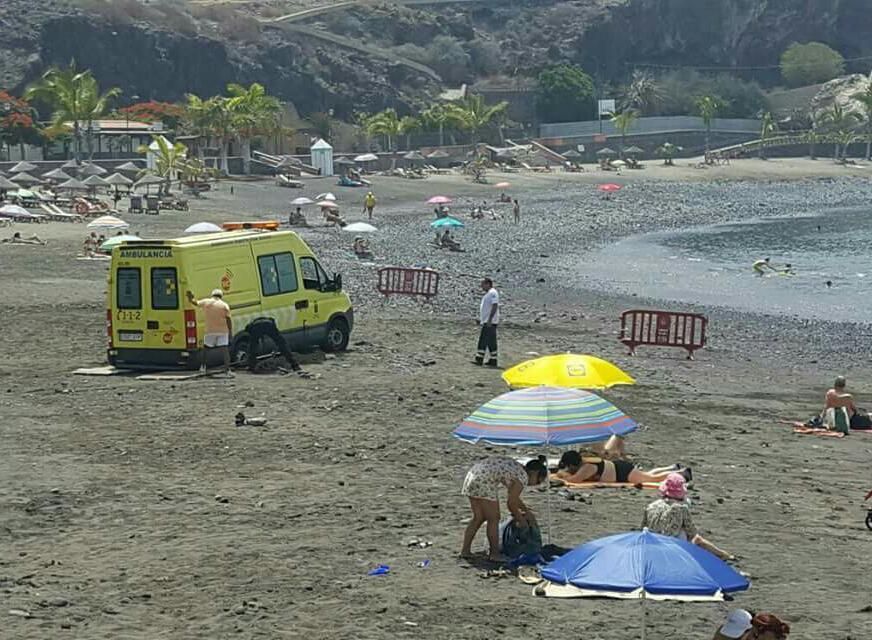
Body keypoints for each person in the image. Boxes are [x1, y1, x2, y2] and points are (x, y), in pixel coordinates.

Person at [460, 456, 548, 561]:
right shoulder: (522, 477)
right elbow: (511, 504)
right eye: (538, 481)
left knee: (478, 517)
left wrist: (527, 511)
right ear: (534, 473)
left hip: (473, 476)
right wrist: (521, 519)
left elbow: (514, 499)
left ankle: (465, 551)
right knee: (494, 518)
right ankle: (494, 554)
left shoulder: (517, 469)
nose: (535, 484)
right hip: (484, 481)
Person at [642, 473, 735, 561]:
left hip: (651, 547)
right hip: (670, 550)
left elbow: (643, 528)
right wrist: (721, 553)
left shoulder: (651, 506)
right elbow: (696, 538)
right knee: (684, 532)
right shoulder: (681, 509)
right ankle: (722, 555)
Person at [555, 451, 687, 485]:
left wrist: (562, 476)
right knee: (646, 474)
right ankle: (672, 468)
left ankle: (681, 474)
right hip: (619, 468)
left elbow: (574, 480)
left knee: (651, 479)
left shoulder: (587, 467)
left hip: (622, 472)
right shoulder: (586, 460)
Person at [186, 288, 233, 376]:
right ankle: (227, 370)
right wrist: (230, 331)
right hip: (222, 331)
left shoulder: (206, 302)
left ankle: (203, 366)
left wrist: (190, 297)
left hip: (210, 330)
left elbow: (195, 302)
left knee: (206, 349)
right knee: (225, 351)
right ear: (221, 296)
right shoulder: (224, 305)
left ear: (212, 295)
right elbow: (228, 319)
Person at [243, 317, 309, 377]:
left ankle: (251, 366)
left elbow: (254, 345)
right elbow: (275, 338)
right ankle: (295, 366)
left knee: (252, 348)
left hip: (263, 326)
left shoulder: (252, 328)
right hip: (270, 325)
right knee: (282, 343)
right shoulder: (262, 321)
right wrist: (276, 348)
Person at [474, 277, 499, 367]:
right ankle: (493, 359)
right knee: (491, 341)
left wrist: (489, 319)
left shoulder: (493, 293)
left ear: (488, 284)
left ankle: (479, 358)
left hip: (490, 322)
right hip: (487, 321)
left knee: (483, 340)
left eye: (483, 284)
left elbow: (495, 305)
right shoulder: (489, 293)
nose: (481, 286)